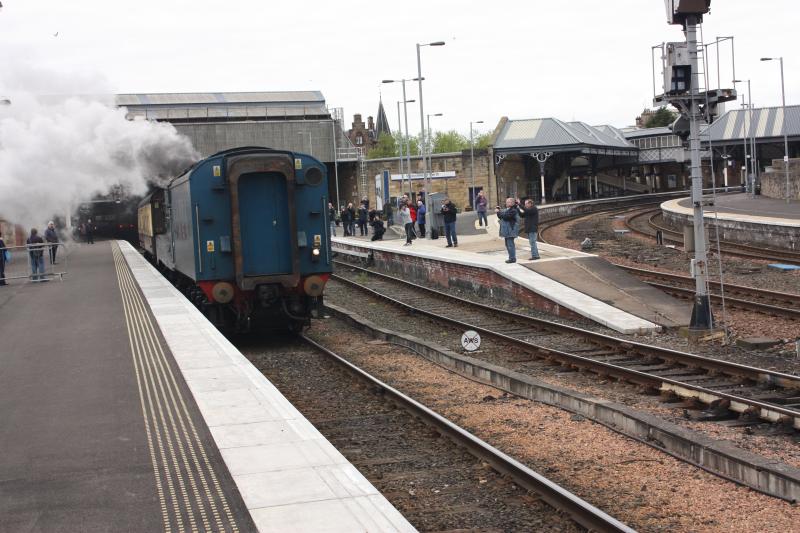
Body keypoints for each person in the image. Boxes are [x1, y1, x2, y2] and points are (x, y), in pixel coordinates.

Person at [496, 198, 520, 263]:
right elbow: (501, 216)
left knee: (510, 244)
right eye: (506, 202)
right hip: (507, 230)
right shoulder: (508, 209)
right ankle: (511, 257)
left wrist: (499, 212)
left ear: (512, 203)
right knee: (507, 244)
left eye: (508, 202)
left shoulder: (513, 210)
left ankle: (512, 258)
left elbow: (506, 217)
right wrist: (498, 212)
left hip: (510, 230)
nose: (506, 203)